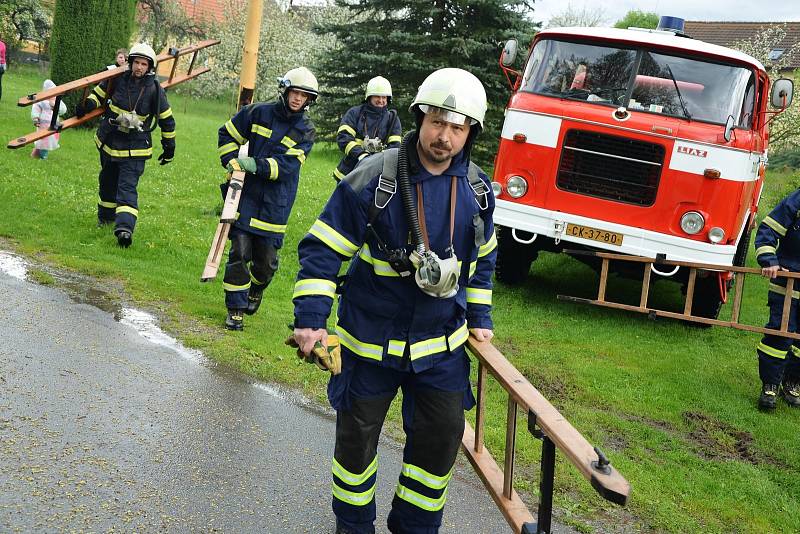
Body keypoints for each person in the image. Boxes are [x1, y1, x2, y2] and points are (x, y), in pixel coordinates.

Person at [292, 68, 496, 534]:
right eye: (437, 122)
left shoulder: (479, 191)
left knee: (439, 443)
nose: (445, 136)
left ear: (471, 133)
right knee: (356, 443)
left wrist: (480, 316)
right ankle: (354, 524)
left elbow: (482, 261)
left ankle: (415, 527)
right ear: (420, 118)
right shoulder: (374, 178)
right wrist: (310, 319)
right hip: (369, 343)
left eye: (457, 127)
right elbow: (323, 250)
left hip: (440, 349)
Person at [217, 67, 318, 331]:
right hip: (245, 196)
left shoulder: (306, 130)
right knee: (239, 253)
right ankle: (235, 309)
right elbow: (226, 133)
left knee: (266, 264)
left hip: (276, 205)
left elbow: (286, 167)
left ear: (309, 100)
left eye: (304, 96)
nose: (298, 99)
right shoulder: (257, 112)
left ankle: (257, 287)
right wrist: (231, 162)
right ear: (285, 90)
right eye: (295, 92)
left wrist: (253, 164)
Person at [75, 43, 176, 248]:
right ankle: (105, 220)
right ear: (130, 63)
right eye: (136, 62)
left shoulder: (155, 89)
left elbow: (166, 119)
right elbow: (99, 94)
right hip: (110, 141)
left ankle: (124, 231)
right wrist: (87, 106)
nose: (139, 67)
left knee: (127, 188)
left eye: (144, 64)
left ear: (150, 67)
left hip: (135, 147)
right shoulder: (117, 79)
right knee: (107, 181)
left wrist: (169, 146)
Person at [754, 191, 800, 410]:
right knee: (779, 335)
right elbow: (769, 228)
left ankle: (792, 382)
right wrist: (769, 260)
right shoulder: (798, 199)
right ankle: (770, 385)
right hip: (788, 281)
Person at [332, 76, 402, 182]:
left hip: (377, 173)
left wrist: (377, 159)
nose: (381, 100)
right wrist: (360, 154)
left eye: (384, 97)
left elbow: (395, 147)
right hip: (349, 171)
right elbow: (343, 137)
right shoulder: (354, 113)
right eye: (377, 97)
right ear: (369, 97)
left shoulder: (392, 119)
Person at [31, 79, 67, 159]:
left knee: (47, 140)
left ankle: (35, 154)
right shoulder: (42, 100)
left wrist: (56, 107)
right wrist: (36, 118)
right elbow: (36, 108)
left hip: (53, 124)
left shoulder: (58, 100)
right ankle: (43, 156)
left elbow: (63, 109)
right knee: (42, 140)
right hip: (43, 124)